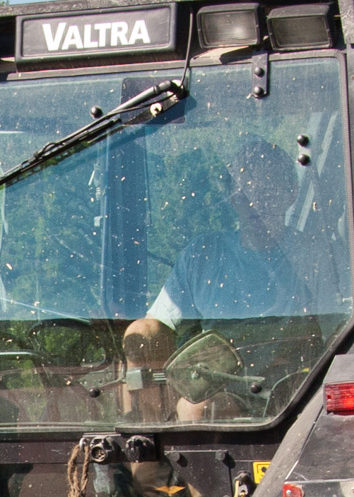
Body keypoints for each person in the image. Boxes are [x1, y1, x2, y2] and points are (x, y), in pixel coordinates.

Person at [120, 135, 308, 421]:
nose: (256, 202)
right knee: (139, 334)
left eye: (268, 189)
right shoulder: (205, 255)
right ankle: (145, 461)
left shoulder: (312, 255)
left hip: (297, 388)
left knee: (196, 408)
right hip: (220, 386)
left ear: (291, 192)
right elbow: (156, 325)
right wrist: (140, 337)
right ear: (233, 196)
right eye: (247, 191)